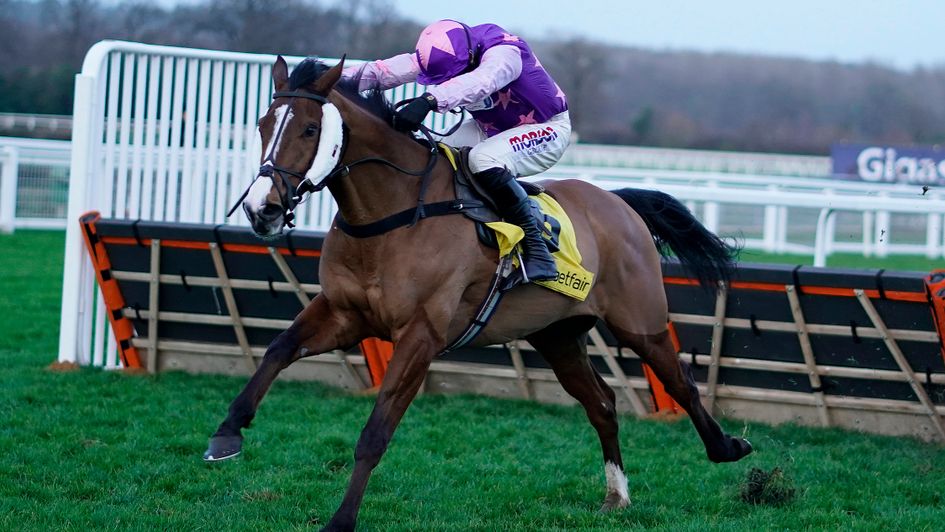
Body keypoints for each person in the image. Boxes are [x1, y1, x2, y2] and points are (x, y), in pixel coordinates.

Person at [342, 19, 571, 282]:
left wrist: (430, 100)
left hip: (548, 129)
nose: (448, 80)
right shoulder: (445, 52)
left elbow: (483, 80)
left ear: (469, 57)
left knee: (482, 159)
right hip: (491, 128)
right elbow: (383, 72)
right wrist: (326, 81)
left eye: (452, 76)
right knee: (432, 156)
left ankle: (538, 250)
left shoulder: (506, 53)